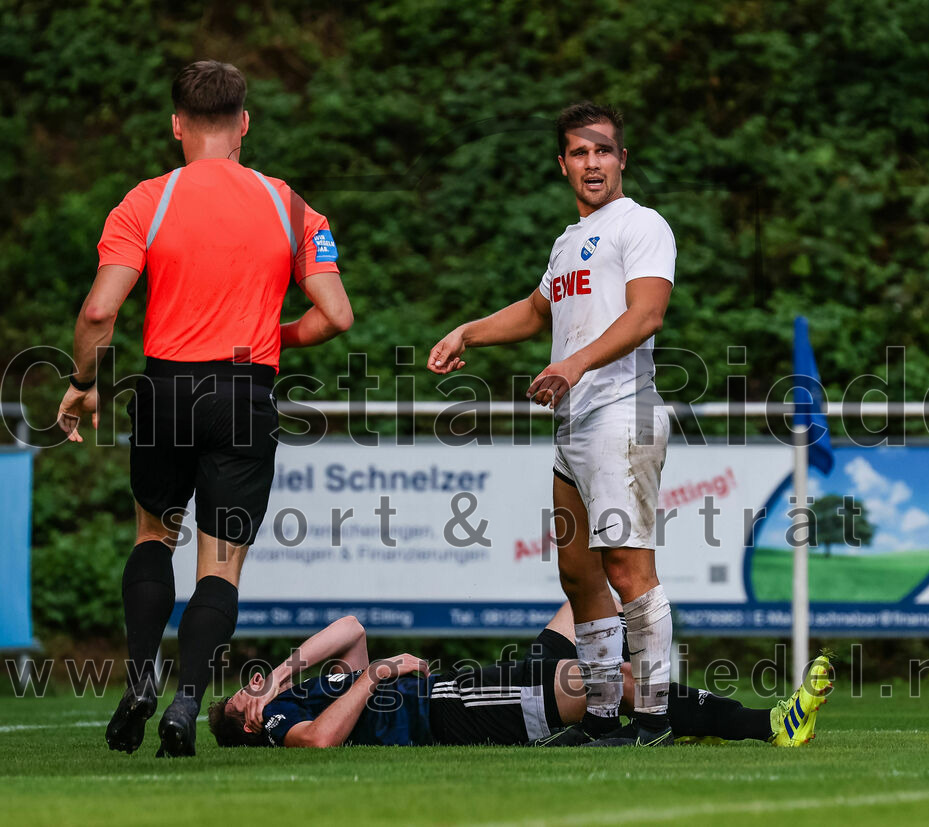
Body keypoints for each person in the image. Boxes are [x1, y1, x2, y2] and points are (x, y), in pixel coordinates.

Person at [55, 60, 353, 758]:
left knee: (154, 538)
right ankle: (187, 700)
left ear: (176, 125)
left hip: (166, 389)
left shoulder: (146, 202)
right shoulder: (290, 205)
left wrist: (83, 380)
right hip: (245, 393)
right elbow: (335, 314)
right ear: (244, 123)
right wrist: (268, 339)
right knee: (220, 564)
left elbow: (101, 308)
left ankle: (138, 679)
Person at [428, 102, 677, 745]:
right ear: (562, 162)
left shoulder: (641, 225)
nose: (591, 163)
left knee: (627, 567)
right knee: (579, 575)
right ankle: (598, 718)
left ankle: (652, 718)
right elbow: (537, 312)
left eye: (603, 151)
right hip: (576, 423)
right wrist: (468, 333)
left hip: (623, 411)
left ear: (623, 159)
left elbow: (646, 314)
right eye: (579, 152)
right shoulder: (569, 242)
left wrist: (575, 363)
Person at [208, 603, 833, 749]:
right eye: (241, 696)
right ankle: (772, 723)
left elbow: (348, 628)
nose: (251, 687)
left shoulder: (299, 689)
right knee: (603, 679)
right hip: (455, 710)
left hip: (465, 684)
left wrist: (284, 671)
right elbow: (322, 741)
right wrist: (377, 676)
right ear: (244, 717)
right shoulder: (282, 721)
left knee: (590, 600)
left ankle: (674, 719)